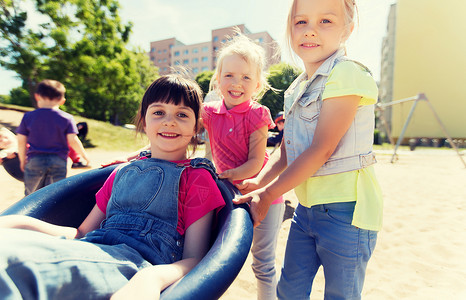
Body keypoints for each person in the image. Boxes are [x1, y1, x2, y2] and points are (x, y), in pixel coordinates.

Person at [0, 74, 225, 299]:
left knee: (9, 265)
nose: (169, 121)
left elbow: (196, 258)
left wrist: (152, 278)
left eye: (182, 114)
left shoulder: (197, 178)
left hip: (132, 267)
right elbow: (82, 233)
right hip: (90, 249)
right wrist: (21, 224)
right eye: (158, 112)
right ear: (144, 121)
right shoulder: (121, 173)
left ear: (197, 126)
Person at [234, 0, 383, 299]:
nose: (310, 30)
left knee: (341, 294)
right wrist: (260, 182)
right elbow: (289, 152)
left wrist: (268, 195)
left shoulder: (347, 74)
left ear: (347, 29)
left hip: (348, 211)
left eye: (325, 21)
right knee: (289, 290)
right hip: (306, 210)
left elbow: (321, 149)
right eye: (301, 22)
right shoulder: (295, 88)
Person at [202, 32, 285, 300]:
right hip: (226, 193)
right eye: (229, 75)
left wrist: (225, 175)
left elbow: (253, 163)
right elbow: (182, 136)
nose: (237, 83)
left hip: (263, 195)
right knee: (210, 253)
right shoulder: (209, 112)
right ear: (217, 78)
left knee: (262, 261)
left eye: (246, 77)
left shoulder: (257, 115)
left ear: (258, 84)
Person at [16, 79, 90, 195]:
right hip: (58, 160)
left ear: (37, 96)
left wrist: (22, 160)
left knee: (30, 195)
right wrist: (84, 156)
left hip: (35, 159)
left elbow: (21, 140)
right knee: (54, 195)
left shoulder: (28, 117)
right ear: (62, 100)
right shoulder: (67, 118)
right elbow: (73, 140)